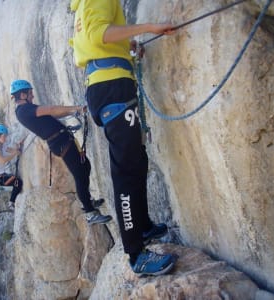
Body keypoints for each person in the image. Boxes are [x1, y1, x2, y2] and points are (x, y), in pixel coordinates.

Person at [69, 0, 178, 276]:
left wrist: (128, 47)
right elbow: (98, 34)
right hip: (111, 86)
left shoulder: (83, 6)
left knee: (136, 161)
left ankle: (142, 225)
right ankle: (136, 254)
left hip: (108, 83)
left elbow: (94, 40)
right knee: (126, 170)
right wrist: (148, 27)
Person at [10, 79, 112, 225]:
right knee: (79, 173)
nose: (32, 96)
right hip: (60, 142)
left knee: (85, 166)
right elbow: (50, 110)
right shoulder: (24, 110)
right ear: (22, 94)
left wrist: (69, 112)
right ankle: (90, 213)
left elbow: (52, 115)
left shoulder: (26, 109)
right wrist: (75, 108)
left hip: (62, 139)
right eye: (30, 93)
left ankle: (87, 201)